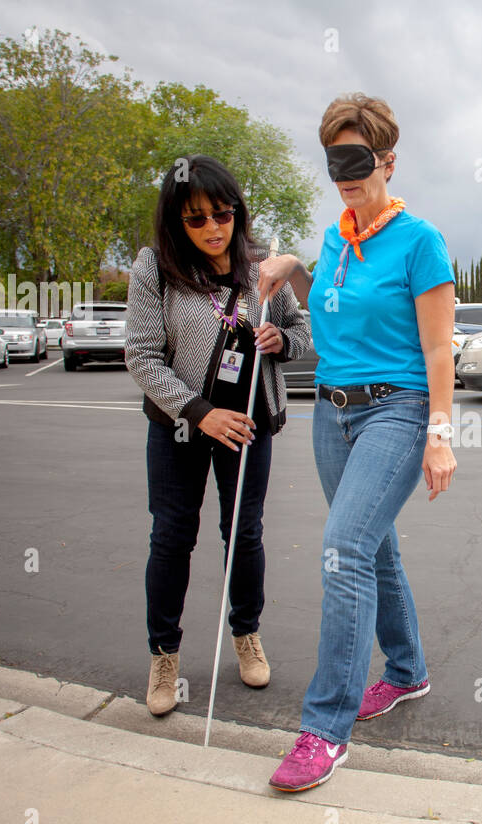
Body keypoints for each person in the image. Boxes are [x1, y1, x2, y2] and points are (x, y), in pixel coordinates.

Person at [255, 93, 457, 792]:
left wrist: (439, 435)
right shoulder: (337, 235)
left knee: (343, 551)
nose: (344, 171)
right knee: (373, 549)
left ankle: (324, 729)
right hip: (330, 414)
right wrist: (290, 267)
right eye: (334, 158)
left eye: (356, 158)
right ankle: (407, 673)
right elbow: (334, 309)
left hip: (396, 413)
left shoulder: (420, 241)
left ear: (387, 161)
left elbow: (438, 352)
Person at [126, 155, 311, 716]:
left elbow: (303, 332)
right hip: (182, 425)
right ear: (176, 221)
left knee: (244, 535)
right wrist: (200, 411)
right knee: (172, 538)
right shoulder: (154, 269)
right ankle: (164, 655)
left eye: (223, 215)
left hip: (250, 424)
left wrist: (283, 338)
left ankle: (246, 635)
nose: (213, 229)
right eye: (196, 218)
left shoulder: (262, 271)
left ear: (237, 213)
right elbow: (141, 355)